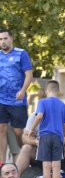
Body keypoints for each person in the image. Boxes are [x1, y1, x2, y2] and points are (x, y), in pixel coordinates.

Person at [28, 80, 65, 178]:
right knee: (56, 168)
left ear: (46, 91)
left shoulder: (42, 102)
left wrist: (32, 129)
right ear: (58, 91)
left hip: (45, 136)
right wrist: (62, 134)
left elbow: (40, 115)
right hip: (57, 137)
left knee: (46, 167)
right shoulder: (63, 105)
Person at [0, 29, 33, 163]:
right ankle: (1, 163)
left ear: (12, 39)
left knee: (19, 132)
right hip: (1, 100)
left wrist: (23, 90)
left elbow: (29, 75)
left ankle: (26, 158)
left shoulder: (21, 53)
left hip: (17, 100)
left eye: (5, 38)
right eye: (0, 39)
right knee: (1, 130)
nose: (3, 41)